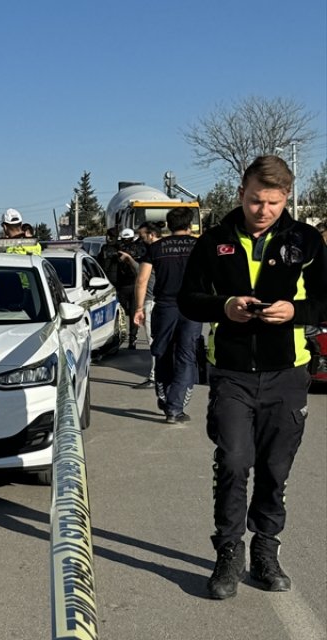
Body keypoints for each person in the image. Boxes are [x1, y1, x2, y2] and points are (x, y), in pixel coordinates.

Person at [179, 155, 327, 601]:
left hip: (288, 373)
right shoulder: (214, 241)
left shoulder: (306, 241)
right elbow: (188, 299)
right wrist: (224, 307)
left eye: (274, 203)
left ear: (286, 200)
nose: (263, 211)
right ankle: (228, 552)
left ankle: (266, 549)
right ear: (241, 193)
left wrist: (294, 313)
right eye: (255, 200)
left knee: (274, 469)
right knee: (234, 462)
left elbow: (325, 302)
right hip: (232, 374)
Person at [133, 207, 200, 423]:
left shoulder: (157, 247)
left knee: (162, 353)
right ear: (189, 226)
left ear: (169, 226)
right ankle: (175, 407)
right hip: (192, 307)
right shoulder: (199, 246)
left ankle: (163, 396)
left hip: (164, 307)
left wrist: (139, 308)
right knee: (186, 356)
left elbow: (142, 280)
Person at [132, 222, 163, 389]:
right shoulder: (168, 249)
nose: (140, 239)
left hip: (152, 301)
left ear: (151, 235)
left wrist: (139, 307)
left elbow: (141, 280)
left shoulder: (152, 251)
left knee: (153, 340)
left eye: (142, 236)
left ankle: (155, 376)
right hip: (169, 301)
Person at [110, 227, 145, 348]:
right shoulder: (121, 250)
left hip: (129, 286)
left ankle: (129, 338)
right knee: (127, 311)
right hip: (126, 286)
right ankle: (126, 337)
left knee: (129, 312)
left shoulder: (134, 249)